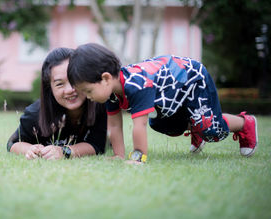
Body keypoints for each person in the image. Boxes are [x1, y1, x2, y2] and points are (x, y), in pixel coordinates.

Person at [67, 43, 258, 164]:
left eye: (88, 91)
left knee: (210, 129)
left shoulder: (137, 85)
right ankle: (196, 125)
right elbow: (115, 125)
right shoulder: (110, 92)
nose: (87, 97)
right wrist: (118, 155)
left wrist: (138, 157)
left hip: (192, 78)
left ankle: (245, 123)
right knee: (162, 123)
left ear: (106, 78)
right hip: (173, 93)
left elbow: (138, 125)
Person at [7, 47, 107, 160]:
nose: (69, 90)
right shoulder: (35, 113)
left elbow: (98, 145)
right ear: (49, 88)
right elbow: (13, 143)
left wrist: (65, 151)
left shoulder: (99, 104)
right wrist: (29, 149)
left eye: (74, 79)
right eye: (59, 84)